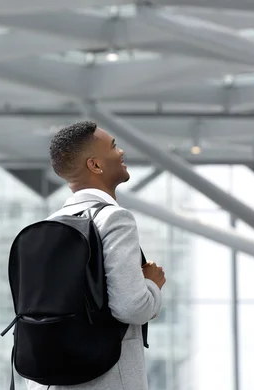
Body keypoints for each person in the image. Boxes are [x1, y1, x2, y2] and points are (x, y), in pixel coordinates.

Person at [25, 121, 166, 390]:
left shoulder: (51, 223)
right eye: (113, 147)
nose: (122, 152)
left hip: (48, 379)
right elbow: (131, 307)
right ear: (95, 165)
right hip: (104, 379)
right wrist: (152, 284)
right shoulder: (114, 219)